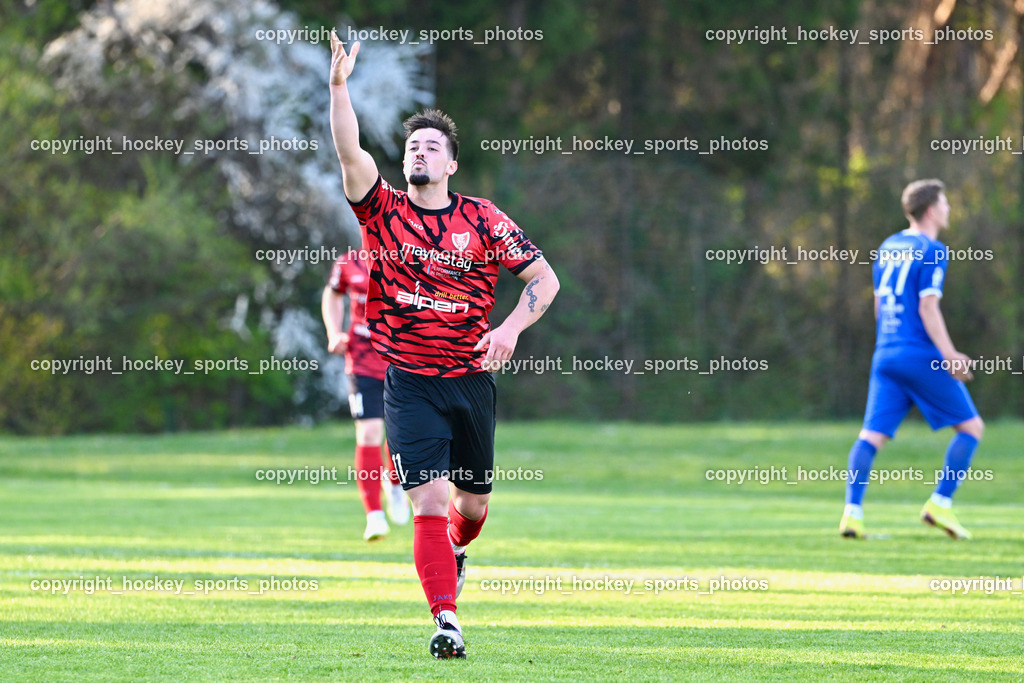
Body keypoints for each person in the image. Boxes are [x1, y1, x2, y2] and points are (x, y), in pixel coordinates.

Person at [328, 32, 560, 658]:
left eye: (432, 146)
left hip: (472, 379)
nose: (419, 152)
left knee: (473, 507)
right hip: (408, 380)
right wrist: (339, 86)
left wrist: (510, 329)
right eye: (412, 145)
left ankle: (458, 551)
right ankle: (446, 619)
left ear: (451, 164)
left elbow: (545, 278)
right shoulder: (381, 212)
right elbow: (349, 150)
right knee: (428, 499)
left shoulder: (483, 219)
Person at [840, 179, 984, 540]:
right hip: (919, 354)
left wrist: (892, 347)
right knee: (971, 428)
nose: (949, 209)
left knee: (870, 436)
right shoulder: (932, 250)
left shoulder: (888, 246)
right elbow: (927, 305)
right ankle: (940, 504)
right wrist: (949, 354)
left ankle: (851, 515)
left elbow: (878, 306)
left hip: (886, 351)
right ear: (933, 209)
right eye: (946, 202)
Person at [323, 252, 410, 541]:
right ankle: (374, 516)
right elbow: (333, 293)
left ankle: (395, 481)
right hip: (361, 361)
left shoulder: (413, 257)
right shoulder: (349, 262)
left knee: (402, 435)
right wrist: (333, 331)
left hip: (404, 361)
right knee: (370, 431)